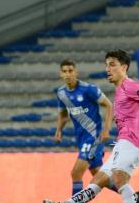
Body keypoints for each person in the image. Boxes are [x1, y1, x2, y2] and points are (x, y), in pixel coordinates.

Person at [44, 49, 139, 203]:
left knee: (118, 177)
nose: (108, 69)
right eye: (106, 65)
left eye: (112, 65)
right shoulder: (119, 91)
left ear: (124, 67)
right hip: (122, 142)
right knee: (98, 180)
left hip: (133, 142)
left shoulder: (130, 86)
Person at [53, 59, 114, 195]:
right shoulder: (61, 93)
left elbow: (109, 105)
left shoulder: (89, 89)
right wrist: (59, 130)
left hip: (94, 137)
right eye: (64, 72)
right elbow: (63, 114)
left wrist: (106, 130)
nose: (68, 74)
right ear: (60, 74)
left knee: (76, 173)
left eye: (70, 71)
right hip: (81, 138)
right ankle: (131, 195)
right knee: (98, 175)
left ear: (76, 72)